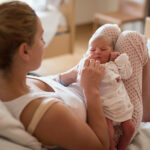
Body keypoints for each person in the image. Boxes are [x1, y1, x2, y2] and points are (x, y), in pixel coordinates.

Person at [0, 1, 109, 150]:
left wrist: (67, 76)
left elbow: (46, 84)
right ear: (25, 51)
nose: (44, 43)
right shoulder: (49, 115)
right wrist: (91, 90)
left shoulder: (14, 81)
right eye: (41, 38)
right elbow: (101, 147)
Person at [68, 34, 135, 150]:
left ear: (112, 51)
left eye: (103, 49)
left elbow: (127, 74)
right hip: (104, 109)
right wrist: (85, 62)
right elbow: (81, 79)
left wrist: (119, 58)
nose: (97, 52)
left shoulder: (113, 64)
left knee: (130, 129)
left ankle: (122, 147)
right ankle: (111, 147)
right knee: (108, 132)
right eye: (92, 49)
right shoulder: (89, 65)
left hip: (121, 105)